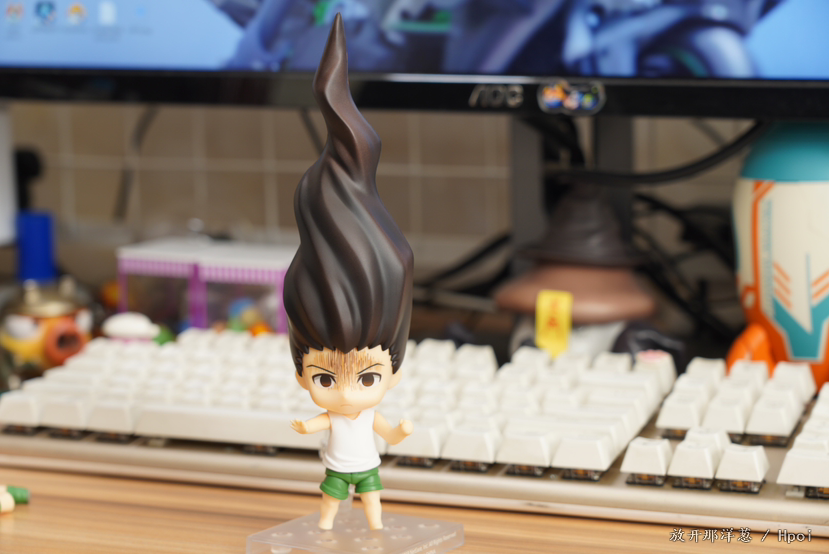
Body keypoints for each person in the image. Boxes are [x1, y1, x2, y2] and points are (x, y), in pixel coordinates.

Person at [283, 13, 414, 531]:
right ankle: (326, 528)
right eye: (322, 377)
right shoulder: (339, 413)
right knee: (332, 500)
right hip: (339, 469)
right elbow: (320, 420)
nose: (344, 393)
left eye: (367, 378)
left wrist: (398, 433)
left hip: (365, 466)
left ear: (393, 372)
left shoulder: (362, 413)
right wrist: (304, 424)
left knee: (371, 499)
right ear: (301, 373)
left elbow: (386, 429)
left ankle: (375, 527)